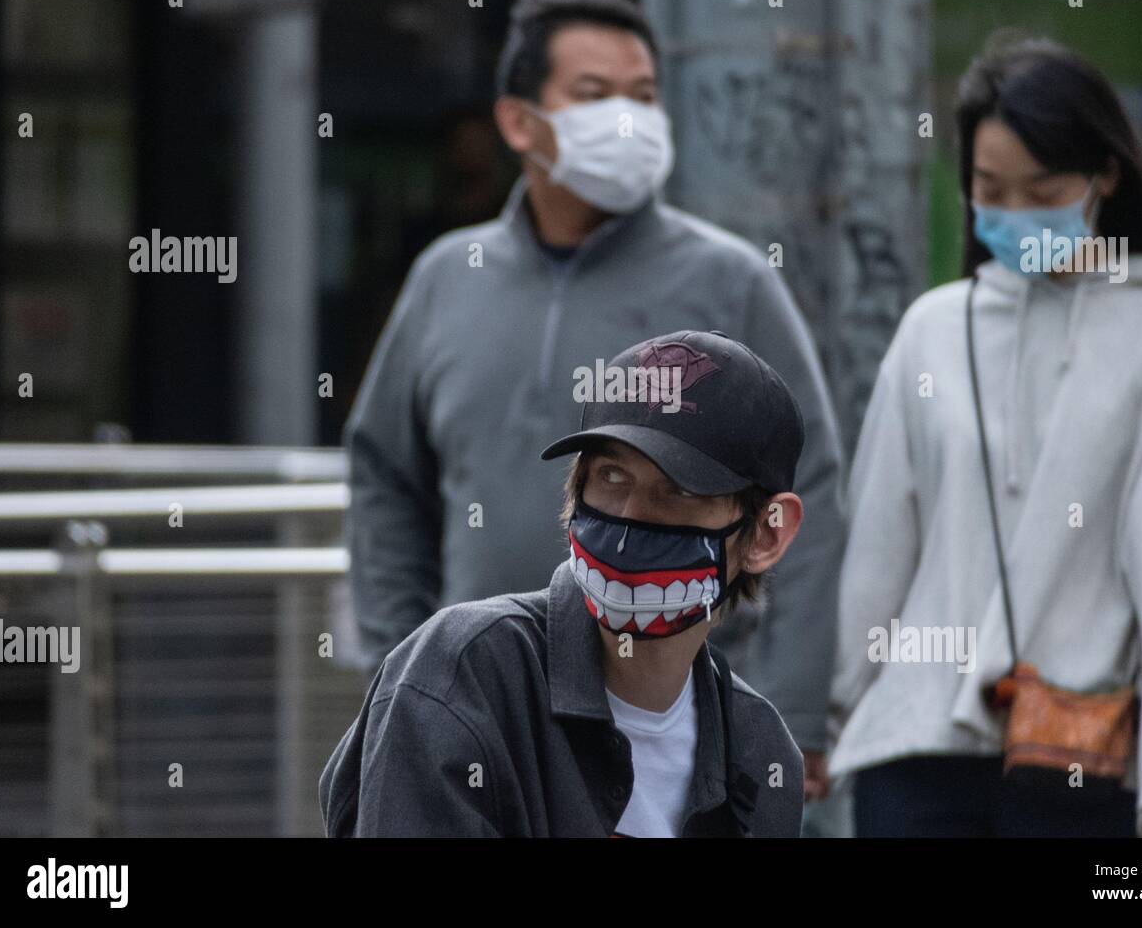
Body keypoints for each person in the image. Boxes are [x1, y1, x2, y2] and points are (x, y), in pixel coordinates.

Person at [344, 0, 845, 799]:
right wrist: (404, 655)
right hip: (478, 711)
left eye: (643, 96)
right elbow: (384, 476)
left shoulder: (728, 282)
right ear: (518, 121)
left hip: (678, 716)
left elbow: (810, 484)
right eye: (594, 95)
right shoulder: (447, 278)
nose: (627, 118)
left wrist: (785, 706)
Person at [827, 35, 1142, 837]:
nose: (1016, 214)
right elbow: (880, 551)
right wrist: (836, 716)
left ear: (1106, 175)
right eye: (991, 188)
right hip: (915, 757)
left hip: (1082, 763)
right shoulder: (934, 328)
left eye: (1044, 189)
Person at [321, 331, 806, 836]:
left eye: (679, 490)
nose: (629, 520)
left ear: (767, 534)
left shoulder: (761, 752)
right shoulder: (462, 677)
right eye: (612, 478)